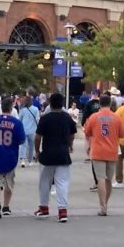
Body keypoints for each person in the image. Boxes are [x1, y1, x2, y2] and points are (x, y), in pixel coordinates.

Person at [34, 92, 79, 222]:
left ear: (50, 103)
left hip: (47, 154)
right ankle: (62, 211)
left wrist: (37, 151)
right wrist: (70, 145)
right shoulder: (67, 117)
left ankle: (43, 209)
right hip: (63, 154)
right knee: (62, 183)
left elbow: (38, 137)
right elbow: (72, 134)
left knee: (44, 182)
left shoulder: (45, 118)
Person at [83, 93, 124, 216]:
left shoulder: (94, 117)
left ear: (100, 103)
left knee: (100, 178)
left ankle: (103, 206)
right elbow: (122, 134)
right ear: (110, 104)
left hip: (98, 151)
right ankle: (106, 202)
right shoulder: (116, 118)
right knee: (108, 180)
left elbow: (87, 132)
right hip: (112, 151)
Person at [0, 97, 26, 218]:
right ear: (12, 108)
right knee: (9, 182)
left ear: (1, 107)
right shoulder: (17, 123)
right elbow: (21, 140)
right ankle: (6, 206)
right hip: (11, 155)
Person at [18, 93, 40, 167]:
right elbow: (37, 119)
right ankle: (30, 161)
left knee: (23, 145)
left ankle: (23, 160)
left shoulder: (22, 110)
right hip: (33, 130)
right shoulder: (36, 109)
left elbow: (19, 120)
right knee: (31, 146)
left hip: (24, 130)